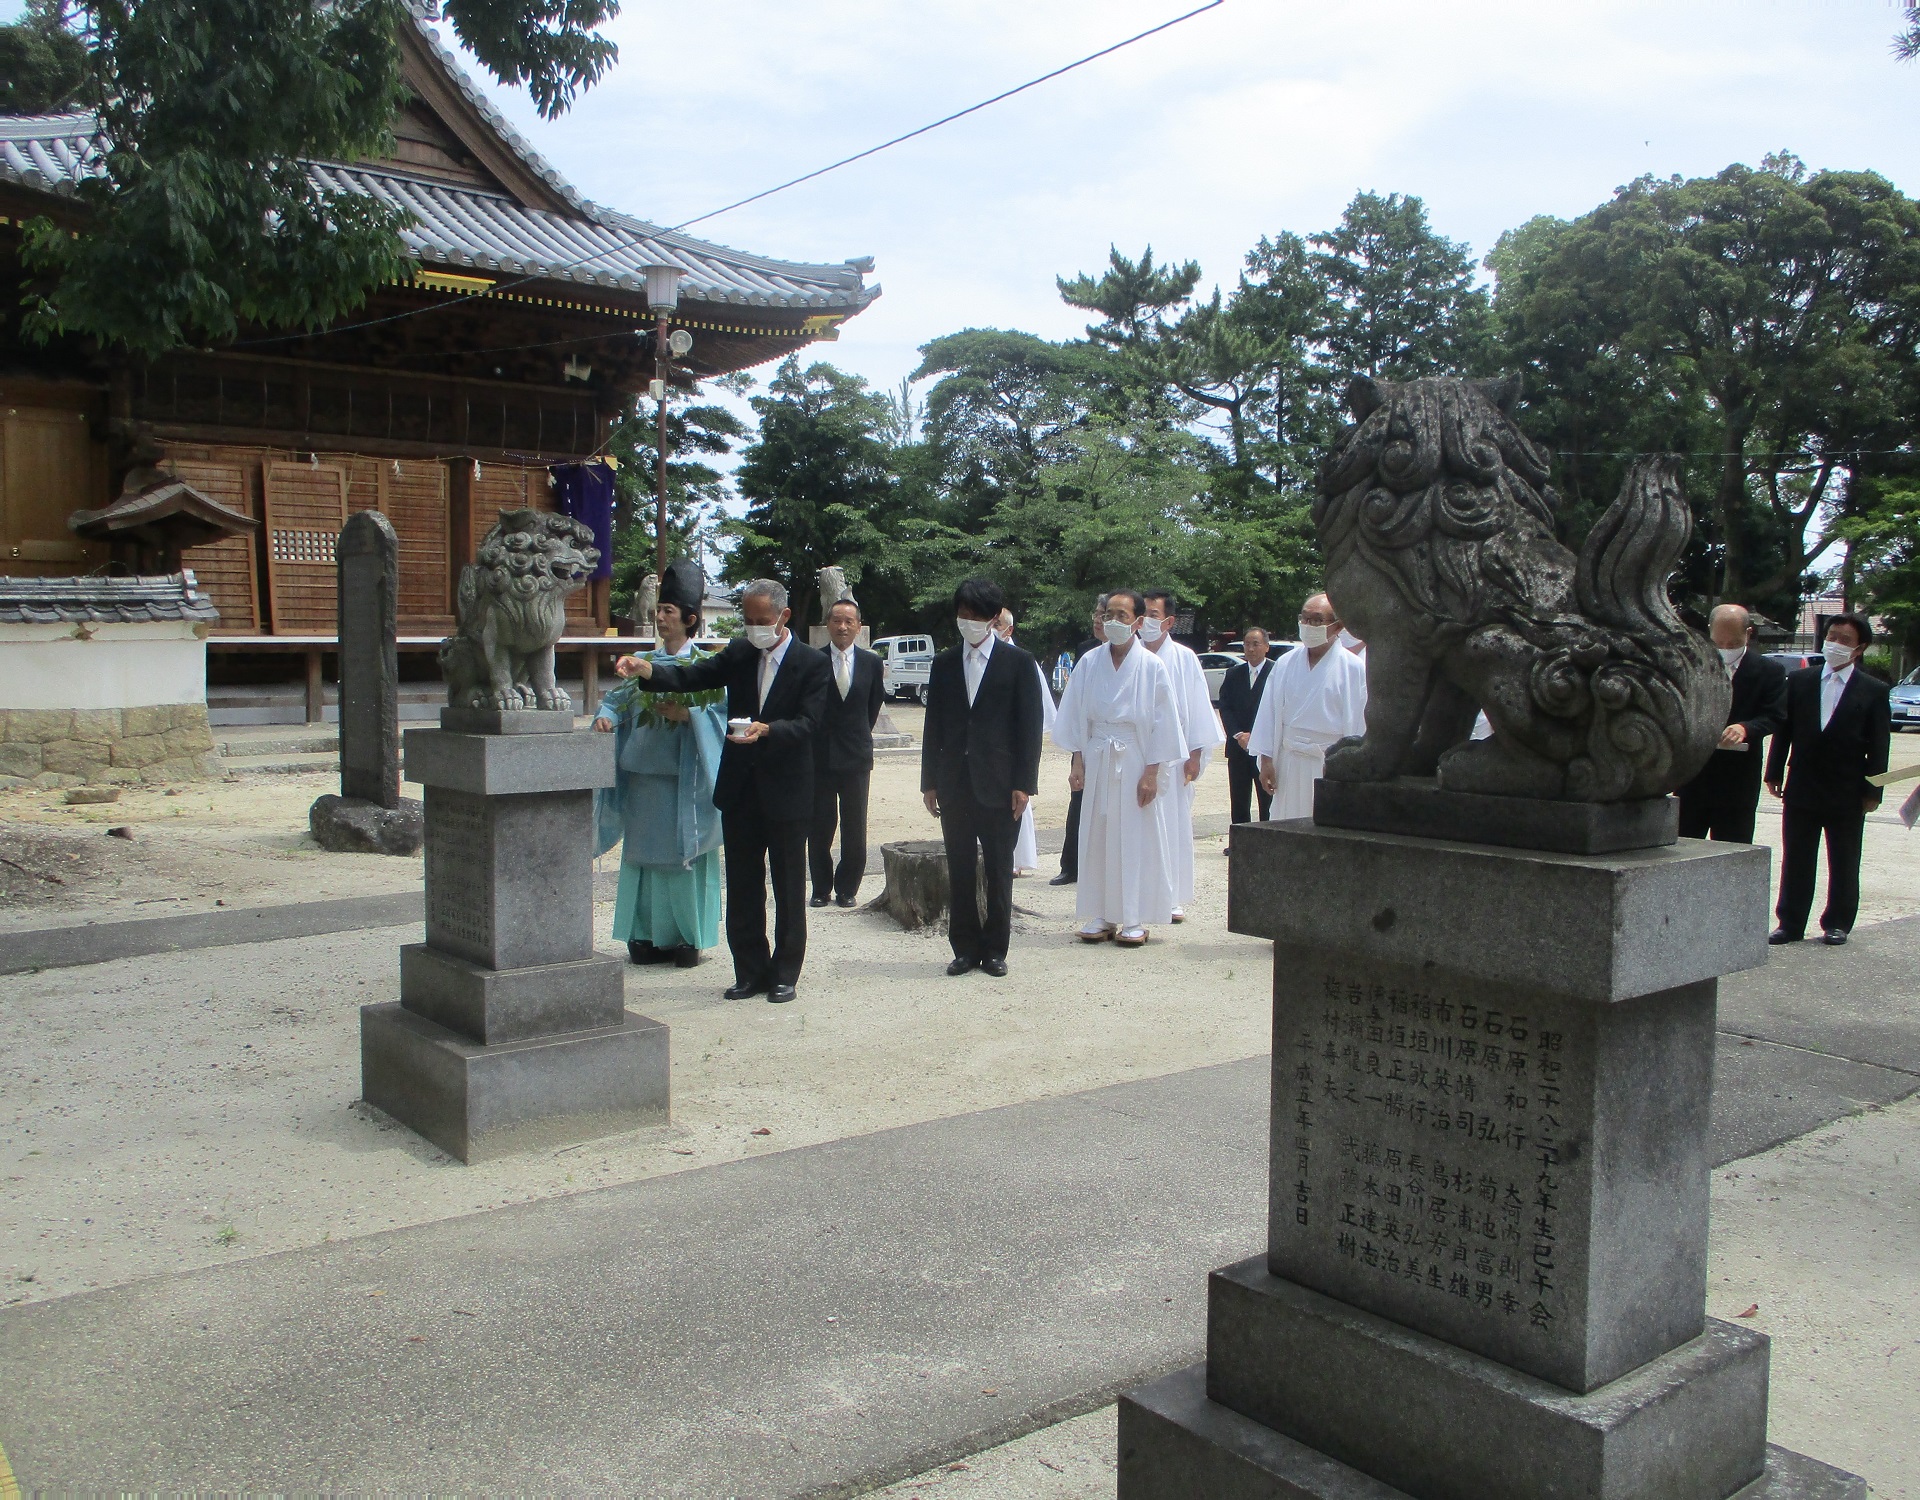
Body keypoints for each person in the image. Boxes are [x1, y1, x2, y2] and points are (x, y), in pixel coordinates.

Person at [614, 578, 830, 1003]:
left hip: (788, 790)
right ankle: (749, 971)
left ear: (784, 617)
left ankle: (785, 973)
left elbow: (811, 723)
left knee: (789, 888)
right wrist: (648, 671)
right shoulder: (739, 651)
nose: (754, 628)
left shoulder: (812, 663)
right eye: (748, 620)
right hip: (741, 790)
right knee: (745, 887)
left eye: (762, 621)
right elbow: (695, 675)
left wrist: (768, 729)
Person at [591, 559, 725, 968]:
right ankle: (643, 934)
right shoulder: (639, 663)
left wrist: (691, 716)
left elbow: (723, 711)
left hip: (687, 777)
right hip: (645, 776)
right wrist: (606, 716)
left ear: (690, 619)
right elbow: (617, 700)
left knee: (686, 855)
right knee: (642, 858)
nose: (660, 617)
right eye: (659, 610)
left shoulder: (705, 667)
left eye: (669, 611)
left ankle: (688, 937)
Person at [921, 578, 1045, 977]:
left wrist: (1024, 783)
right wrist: (929, 781)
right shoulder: (943, 663)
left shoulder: (1019, 663)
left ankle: (995, 949)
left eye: (976, 617)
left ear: (994, 619)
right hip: (955, 782)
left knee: (998, 871)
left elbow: (1029, 728)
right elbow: (933, 725)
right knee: (959, 869)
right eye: (962, 616)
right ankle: (963, 948)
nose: (968, 623)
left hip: (1000, 784)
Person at [1052, 589, 1185, 948]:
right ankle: (1101, 912)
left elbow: (1163, 722)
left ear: (1139, 622)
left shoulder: (1152, 666)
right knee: (1098, 830)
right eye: (1108, 615)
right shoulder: (1089, 662)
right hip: (1097, 755)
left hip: (1136, 756)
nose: (1113, 622)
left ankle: (1134, 915)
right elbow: (1078, 714)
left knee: (1136, 834)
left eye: (1122, 616)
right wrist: (1077, 761)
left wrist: (1152, 772)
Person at [1764, 612, 1892, 946]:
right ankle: (1790, 922)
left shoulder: (1874, 690)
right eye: (1832, 636)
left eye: (1844, 640)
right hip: (1803, 785)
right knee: (1797, 856)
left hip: (1846, 789)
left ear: (1860, 647)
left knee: (1844, 858)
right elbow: (1784, 731)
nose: (1835, 644)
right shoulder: (1802, 682)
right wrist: (1774, 772)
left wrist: (1873, 790)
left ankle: (1837, 922)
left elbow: (1880, 746)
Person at [1139, 589, 1223, 920]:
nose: (1146, 622)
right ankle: (1136, 893)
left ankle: (1170, 894)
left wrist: (1196, 754)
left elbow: (1199, 709)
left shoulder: (1185, 658)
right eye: (1142, 614)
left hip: (1173, 759)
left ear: (1169, 621)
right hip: (1136, 753)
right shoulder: (1128, 654)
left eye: (1153, 616)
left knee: (1170, 824)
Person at [1676, 603, 1789, 843]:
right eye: (1719, 643)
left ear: (1748, 633)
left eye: (1733, 644)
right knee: (1682, 845)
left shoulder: (1769, 671)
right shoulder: (1693, 666)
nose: (1725, 649)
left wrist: (1745, 728)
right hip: (1694, 775)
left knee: (1733, 848)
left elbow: (1775, 716)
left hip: (1737, 780)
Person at [1249, 592, 1368, 820]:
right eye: (1304, 619)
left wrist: (1349, 768)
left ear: (1337, 626)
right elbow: (1268, 715)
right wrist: (1266, 761)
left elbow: (1359, 725)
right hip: (1289, 762)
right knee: (1287, 825)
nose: (1308, 625)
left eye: (1316, 620)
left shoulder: (1353, 668)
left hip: (1328, 765)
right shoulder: (1285, 664)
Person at [809, 597, 886, 909]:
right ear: (828, 624)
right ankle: (820, 888)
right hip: (819, 756)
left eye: (848, 621)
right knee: (819, 825)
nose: (842, 627)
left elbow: (873, 706)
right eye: (836, 620)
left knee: (855, 826)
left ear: (858, 626)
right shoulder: (812, 661)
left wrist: (856, 735)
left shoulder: (871, 663)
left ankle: (847, 888)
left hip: (855, 756)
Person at [1049, 596, 1109, 887]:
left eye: (1103, 614)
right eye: (1095, 614)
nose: (1097, 619)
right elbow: (1077, 706)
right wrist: (1077, 755)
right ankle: (1070, 865)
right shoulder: (1086, 652)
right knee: (1078, 802)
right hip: (1088, 741)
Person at [994, 607, 1057, 876]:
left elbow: (1038, 710)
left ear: (1009, 630)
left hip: (1014, 744)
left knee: (1017, 800)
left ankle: (1018, 860)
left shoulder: (1023, 661)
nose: (991, 627)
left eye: (997, 623)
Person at [1218, 627, 1277, 839]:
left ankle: (1267, 839)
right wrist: (1238, 735)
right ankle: (1240, 841)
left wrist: (1255, 735)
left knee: (1266, 797)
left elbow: (1275, 709)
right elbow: (1225, 706)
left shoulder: (1276, 672)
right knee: (1239, 798)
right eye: (1247, 644)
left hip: (1263, 747)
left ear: (1266, 647)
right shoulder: (1234, 674)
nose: (1250, 649)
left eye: (1256, 644)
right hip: (1238, 747)